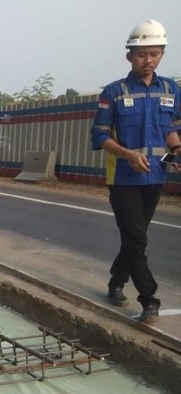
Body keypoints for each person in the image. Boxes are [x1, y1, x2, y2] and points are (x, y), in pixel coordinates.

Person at [90, 19, 181, 324]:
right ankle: (150, 299)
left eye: (154, 53)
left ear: (162, 54)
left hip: (156, 177)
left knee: (134, 239)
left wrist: (177, 149)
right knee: (136, 237)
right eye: (142, 54)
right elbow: (100, 134)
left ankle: (116, 282)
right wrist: (127, 154)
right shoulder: (114, 92)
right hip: (123, 178)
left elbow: (171, 128)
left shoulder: (171, 89)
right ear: (129, 55)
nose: (148, 60)